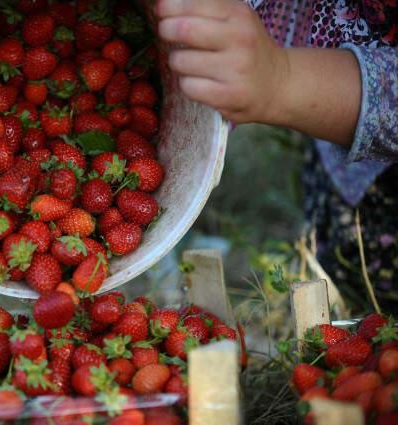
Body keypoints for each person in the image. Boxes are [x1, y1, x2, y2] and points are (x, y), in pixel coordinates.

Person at [155, 0, 397, 311]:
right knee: (342, 251)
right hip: (334, 136)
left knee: (373, 293)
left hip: (385, 183)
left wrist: (281, 79)